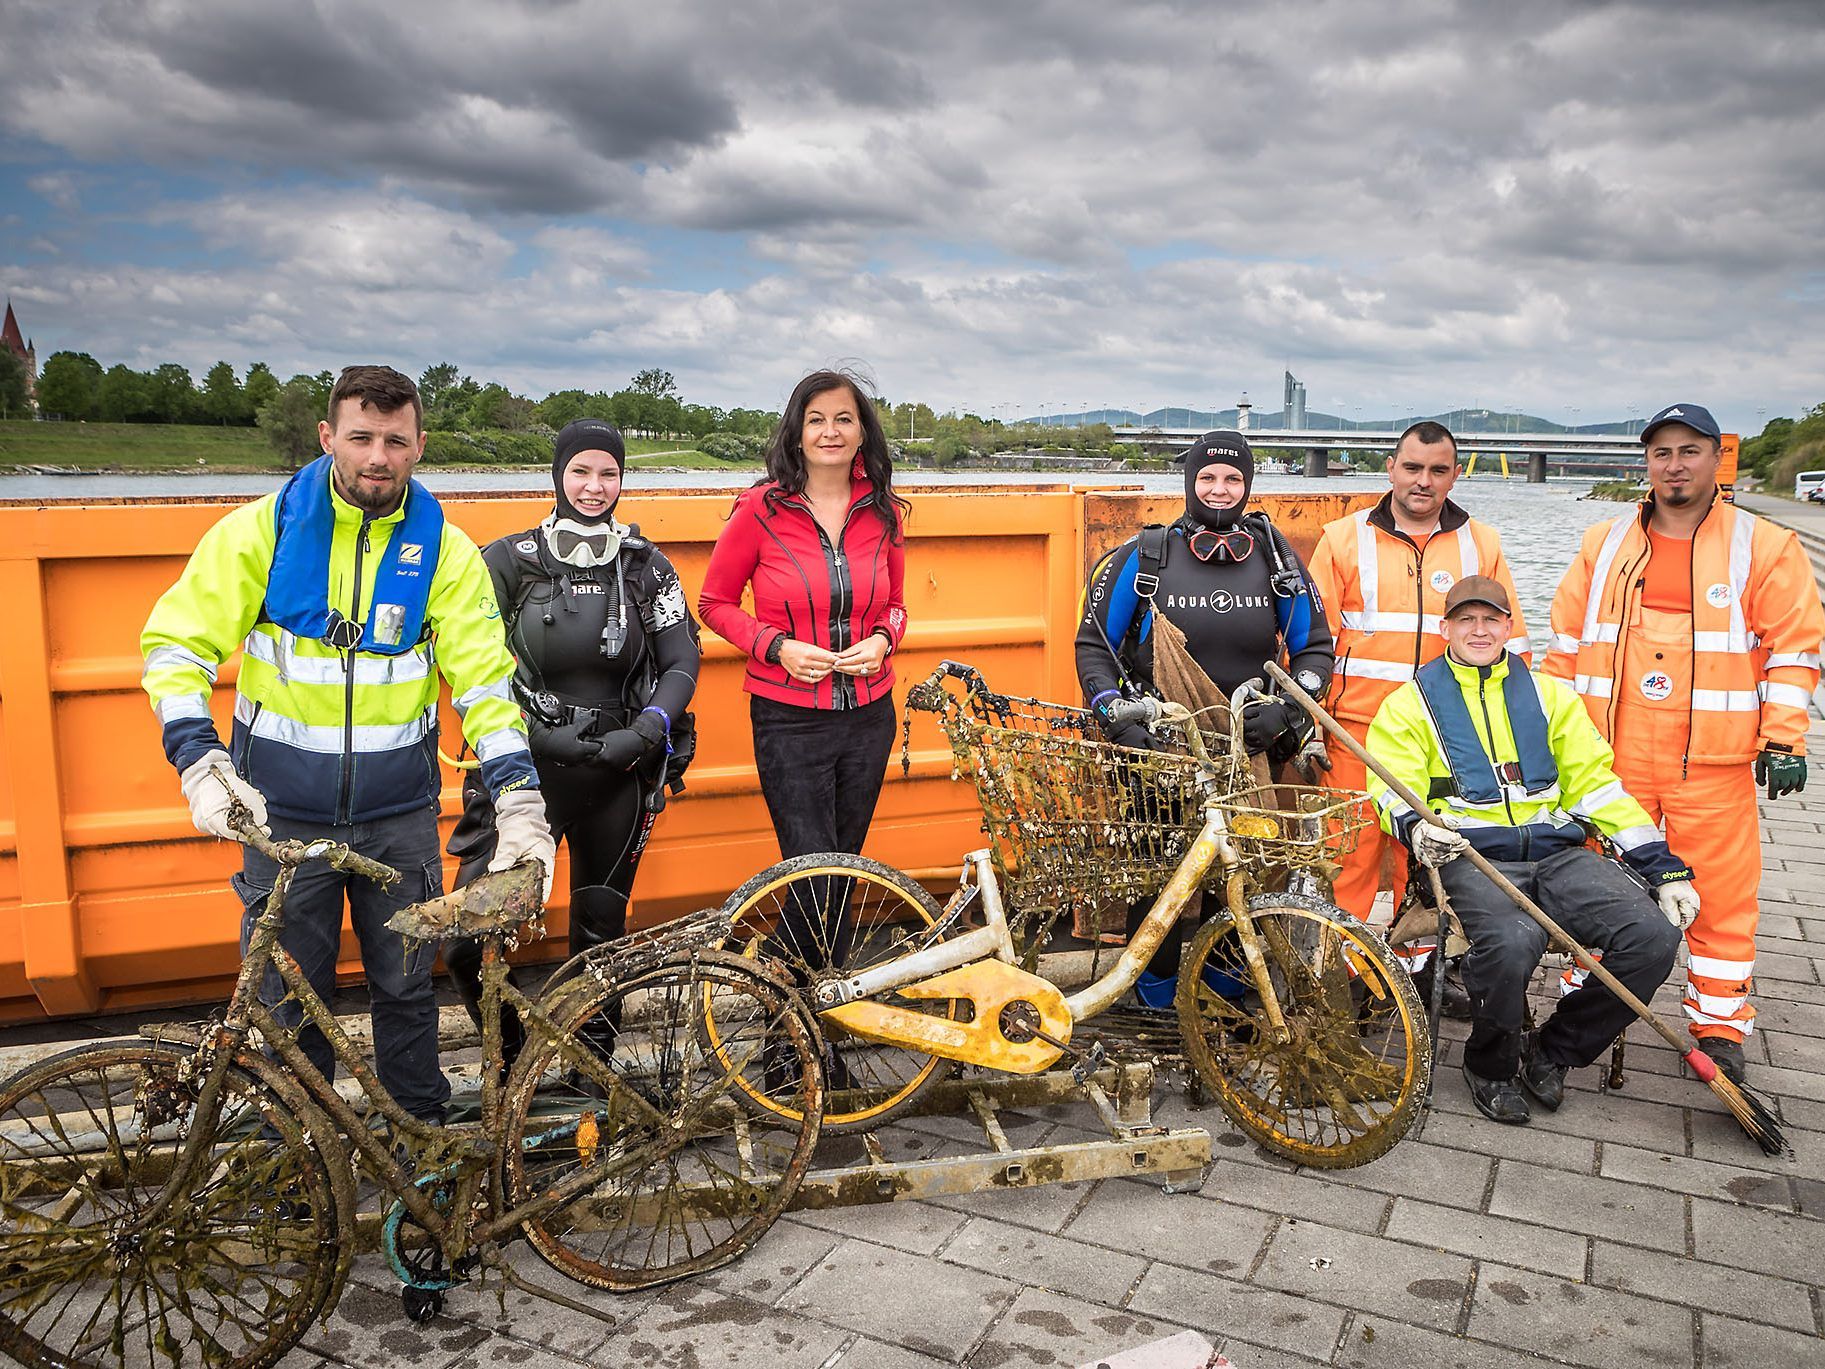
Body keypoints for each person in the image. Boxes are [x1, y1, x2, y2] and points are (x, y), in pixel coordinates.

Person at [141, 365, 555, 1124]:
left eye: (395, 441)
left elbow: (487, 688)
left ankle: (422, 1148)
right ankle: (300, 1155)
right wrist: (200, 761)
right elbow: (175, 647)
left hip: (398, 819)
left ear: (419, 446)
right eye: (360, 437)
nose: (377, 457)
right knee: (288, 996)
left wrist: (522, 803)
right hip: (279, 818)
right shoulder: (260, 531)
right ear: (328, 436)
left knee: (404, 988)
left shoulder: (448, 555)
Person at [1544, 403, 1824, 1084]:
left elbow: (1793, 647)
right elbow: (1562, 649)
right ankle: (1588, 1005)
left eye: (1689, 450)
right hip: (1608, 759)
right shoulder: (1603, 543)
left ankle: (1718, 1028)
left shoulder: (1763, 546)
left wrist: (1784, 737)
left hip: (1710, 763)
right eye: (1661, 451)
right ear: (1646, 461)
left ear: (1714, 460)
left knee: (1721, 899)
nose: (1674, 464)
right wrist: (1548, 738)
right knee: (1599, 891)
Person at [1368, 576, 1693, 1124]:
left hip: (1560, 856)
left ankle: (1555, 1049)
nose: (1478, 630)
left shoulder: (1550, 697)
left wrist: (1665, 871)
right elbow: (1387, 786)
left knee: (1653, 937)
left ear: (1509, 627)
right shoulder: (1408, 705)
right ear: (1445, 629)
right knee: (1512, 944)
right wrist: (1416, 829)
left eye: (1490, 619)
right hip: (1472, 859)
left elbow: (1597, 787)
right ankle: (1490, 1067)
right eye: (1466, 620)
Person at [443, 418, 701, 1060]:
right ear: (558, 475)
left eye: (608, 473)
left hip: (620, 772)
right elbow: (466, 663)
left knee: (601, 938)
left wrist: (647, 731)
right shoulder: (505, 562)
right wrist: (539, 738)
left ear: (623, 478)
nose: (594, 486)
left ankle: (593, 1077)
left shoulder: (646, 566)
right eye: (580, 471)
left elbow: (681, 661)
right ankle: (516, 1059)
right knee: (467, 941)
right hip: (523, 773)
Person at [1075, 430, 1335, 998]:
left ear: (1248, 486)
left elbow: (1314, 646)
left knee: (1236, 876)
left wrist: (1290, 711)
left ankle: (1223, 997)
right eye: (1208, 478)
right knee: (1159, 877)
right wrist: (1116, 715)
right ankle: (1156, 999)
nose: (1220, 490)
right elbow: (1093, 646)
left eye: (1234, 479)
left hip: (1249, 744)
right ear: (1189, 481)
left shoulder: (1276, 559)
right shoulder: (1146, 556)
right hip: (1158, 745)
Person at [1308, 420, 1526, 1006]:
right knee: (1348, 860)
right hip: (1352, 734)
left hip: (1442, 739)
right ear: (1391, 468)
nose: (1423, 481)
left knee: (1424, 869)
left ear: (1455, 475)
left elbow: (1509, 643)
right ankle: (1344, 979)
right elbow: (1312, 638)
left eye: (1437, 470)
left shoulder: (1483, 543)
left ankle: (1408, 976)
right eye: (1413, 467)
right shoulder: (1343, 538)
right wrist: (1309, 723)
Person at [698, 368, 909, 886]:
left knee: (847, 871)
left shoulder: (884, 513)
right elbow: (713, 603)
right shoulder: (759, 509)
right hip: (788, 722)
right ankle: (802, 968)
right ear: (797, 432)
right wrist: (776, 647)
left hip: (869, 719)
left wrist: (883, 642)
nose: (829, 431)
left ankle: (827, 970)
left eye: (843, 419)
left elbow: (898, 607)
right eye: (815, 420)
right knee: (810, 874)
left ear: (863, 432)